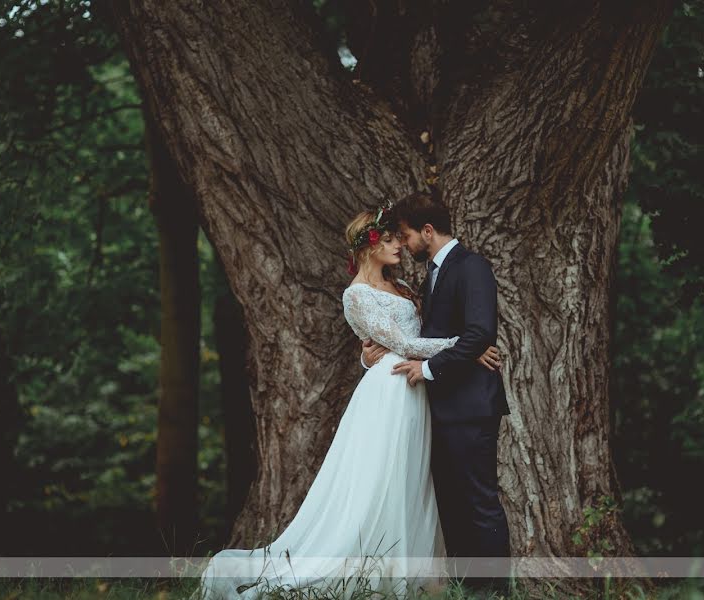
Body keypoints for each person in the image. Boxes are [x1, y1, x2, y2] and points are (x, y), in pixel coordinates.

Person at [198, 203, 500, 599]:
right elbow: (403, 344)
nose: (398, 246)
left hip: (419, 387)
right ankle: (367, 566)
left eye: (399, 237)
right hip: (391, 390)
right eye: (389, 239)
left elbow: (411, 334)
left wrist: (441, 349)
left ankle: (421, 573)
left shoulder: (407, 287)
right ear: (369, 246)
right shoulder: (355, 295)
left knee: (417, 478)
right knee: (381, 478)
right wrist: (466, 346)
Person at [362, 192, 512, 595]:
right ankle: (466, 587)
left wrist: (427, 368)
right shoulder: (430, 274)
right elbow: (438, 334)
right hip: (439, 408)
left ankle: (494, 591)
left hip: (471, 406)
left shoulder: (471, 266)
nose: (404, 243)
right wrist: (375, 349)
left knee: (480, 503)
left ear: (427, 231)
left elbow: (480, 333)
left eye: (407, 235)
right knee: (451, 504)